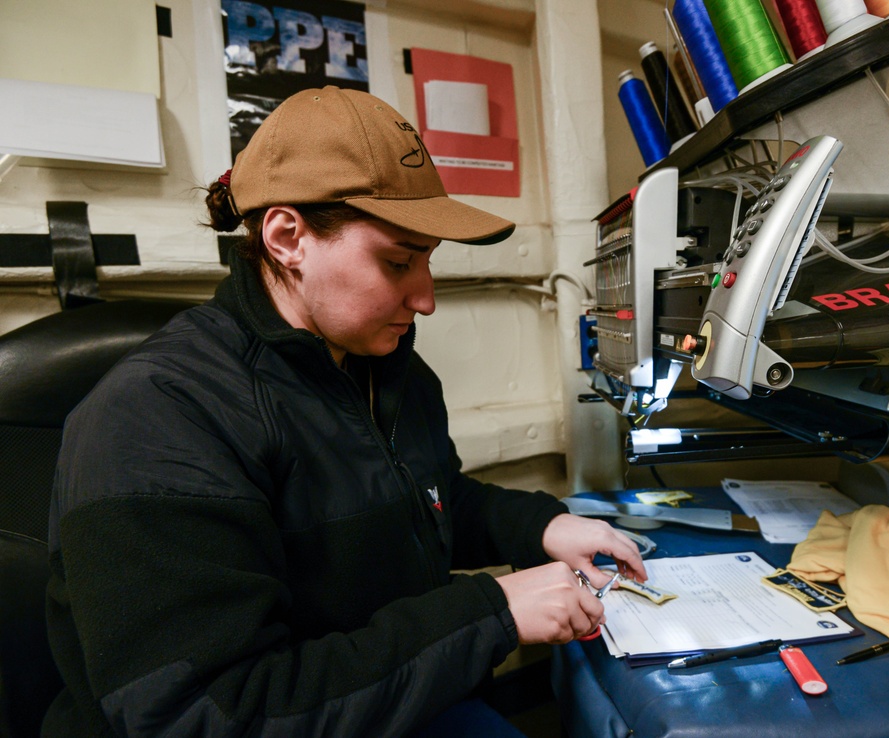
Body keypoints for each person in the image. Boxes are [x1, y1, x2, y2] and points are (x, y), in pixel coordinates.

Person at [44, 86, 647, 737]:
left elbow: (424, 503)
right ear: (287, 237)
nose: (425, 298)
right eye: (398, 260)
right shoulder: (157, 417)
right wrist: (491, 612)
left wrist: (540, 526)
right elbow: (209, 715)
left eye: (428, 261)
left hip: (388, 700)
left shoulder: (392, 373)